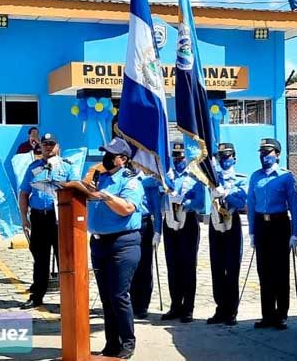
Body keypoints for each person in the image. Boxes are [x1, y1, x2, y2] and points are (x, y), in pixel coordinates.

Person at [68, 137, 143, 359]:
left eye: (111, 155)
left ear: (122, 159)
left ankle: (127, 342)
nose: (106, 158)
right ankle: (111, 343)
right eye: (105, 153)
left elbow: (127, 208)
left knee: (119, 295)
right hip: (99, 243)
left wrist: (107, 196)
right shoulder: (100, 178)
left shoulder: (130, 179)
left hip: (123, 244)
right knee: (106, 297)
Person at [18, 132, 77, 309]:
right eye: (45, 144)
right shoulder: (34, 167)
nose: (48, 147)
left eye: (51, 144)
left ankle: (67, 298)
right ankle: (37, 296)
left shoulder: (67, 167)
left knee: (63, 259)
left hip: (59, 218)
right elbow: (24, 193)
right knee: (40, 259)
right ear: (41, 147)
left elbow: (75, 190)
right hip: (38, 216)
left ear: (58, 147)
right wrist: (24, 217)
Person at [247, 138, 297, 330]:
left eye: (268, 152)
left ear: (277, 154)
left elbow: (294, 206)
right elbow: (251, 204)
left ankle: (282, 314)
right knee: (264, 271)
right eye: (262, 152)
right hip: (262, 225)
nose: (264, 155)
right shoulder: (255, 177)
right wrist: (252, 232)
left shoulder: (286, 177)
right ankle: (267, 314)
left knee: (280, 271)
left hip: (279, 224)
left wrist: (295, 234)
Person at [162, 141, 207, 323]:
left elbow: (201, 204)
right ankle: (175, 306)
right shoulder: (167, 177)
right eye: (175, 157)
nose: (178, 160)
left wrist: (184, 201)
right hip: (170, 221)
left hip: (188, 221)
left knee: (187, 266)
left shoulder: (195, 177)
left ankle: (188, 308)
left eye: (181, 157)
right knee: (172, 266)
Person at [207, 142, 248, 326]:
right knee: (216, 267)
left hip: (232, 223)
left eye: (227, 156)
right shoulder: (212, 178)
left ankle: (231, 310)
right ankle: (220, 308)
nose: (224, 160)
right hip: (215, 222)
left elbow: (242, 203)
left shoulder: (241, 179)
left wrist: (226, 194)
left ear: (234, 158)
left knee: (231, 268)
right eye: (220, 157)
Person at [130, 172, 164, 319]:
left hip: (144, 224)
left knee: (144, 266)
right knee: (129, 265)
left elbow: (156, 208)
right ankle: (129, 303)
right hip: (129, 225)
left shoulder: (149, 181)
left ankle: (142, 305)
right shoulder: (125, 178)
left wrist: (157, 231)